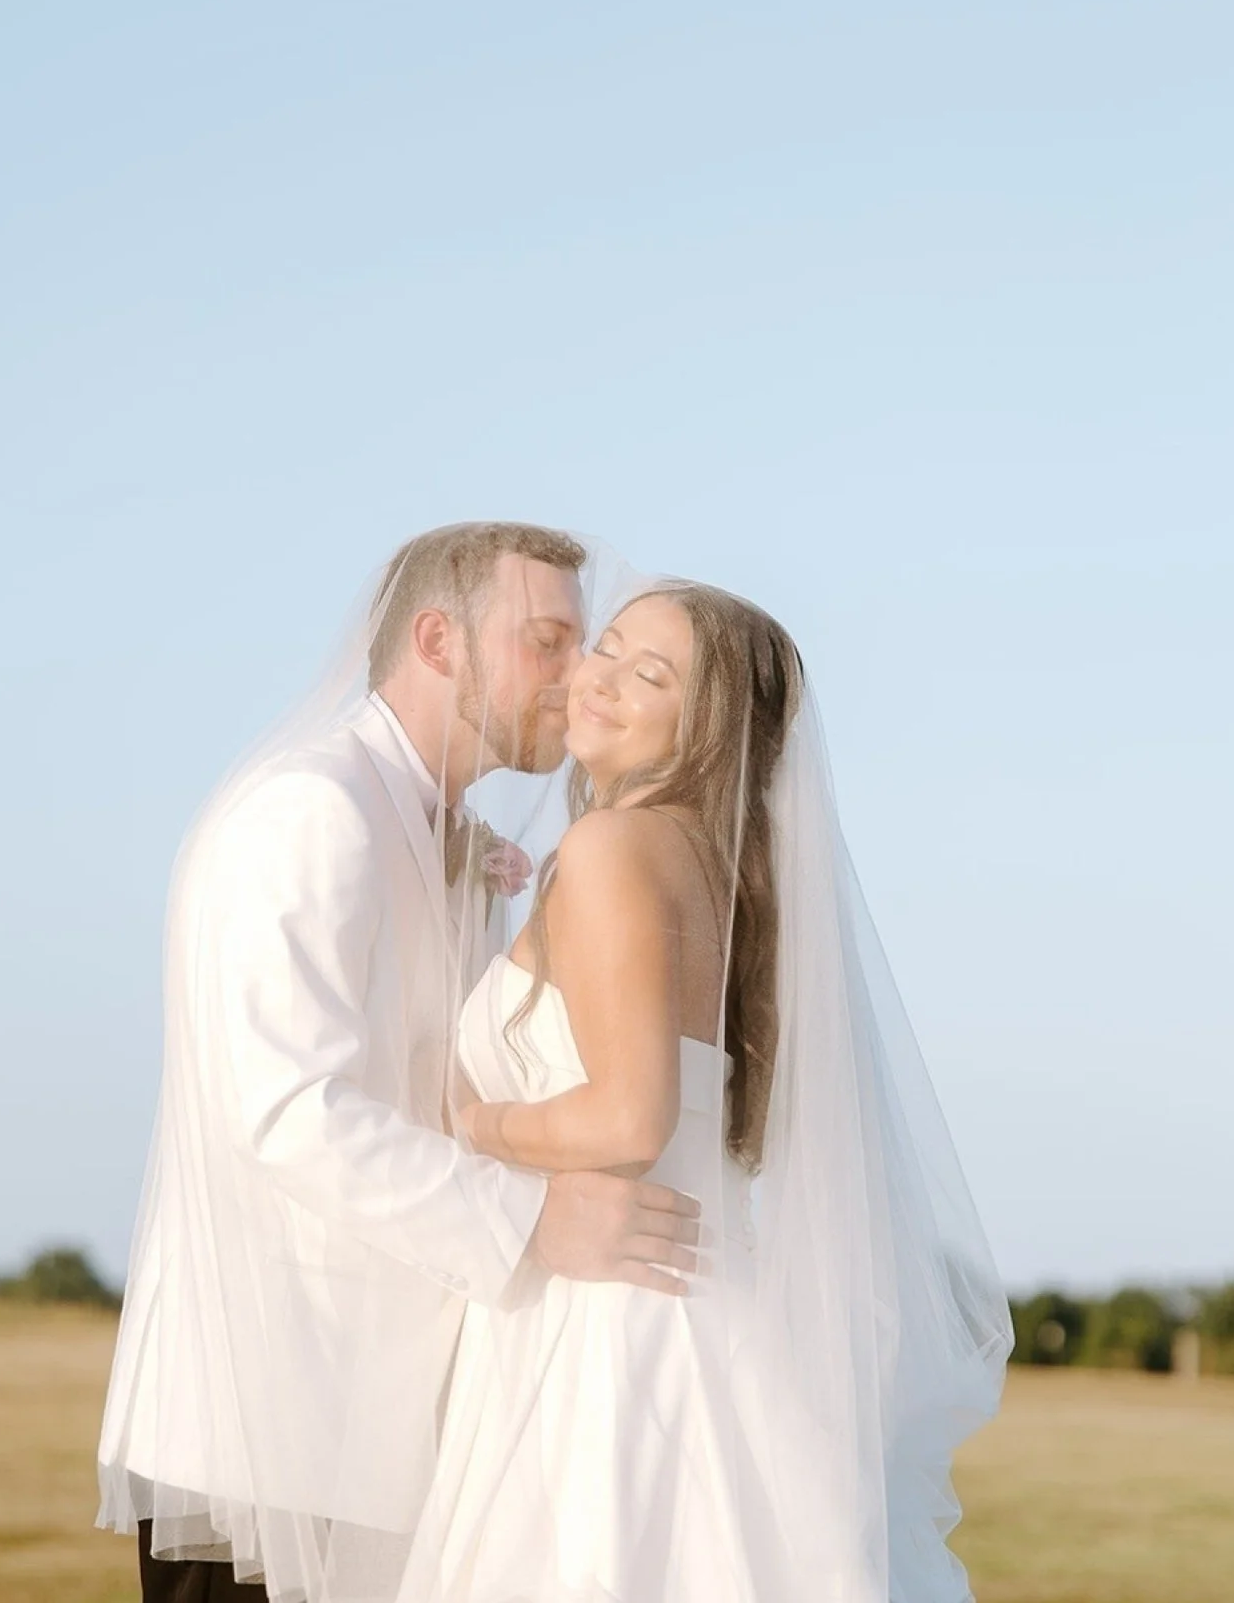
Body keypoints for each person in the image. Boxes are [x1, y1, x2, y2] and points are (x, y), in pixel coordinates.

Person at [96, 524, 702, 1603]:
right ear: (439, 641)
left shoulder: (443, 836)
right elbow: (289, 1112)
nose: (578, 679)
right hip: (270, 1422)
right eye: (548, 641)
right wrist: (533, 1219)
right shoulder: (310, 810)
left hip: (381, 1422)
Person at [394, 581, 1013, 1602]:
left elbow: (629, 1120)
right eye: (608, 646)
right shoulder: (715, 868)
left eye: (652, 674)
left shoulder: (612, 848)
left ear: (709, 727)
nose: (598, 677)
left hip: (615, 1336)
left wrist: (468, 1122)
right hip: (702, 1304)